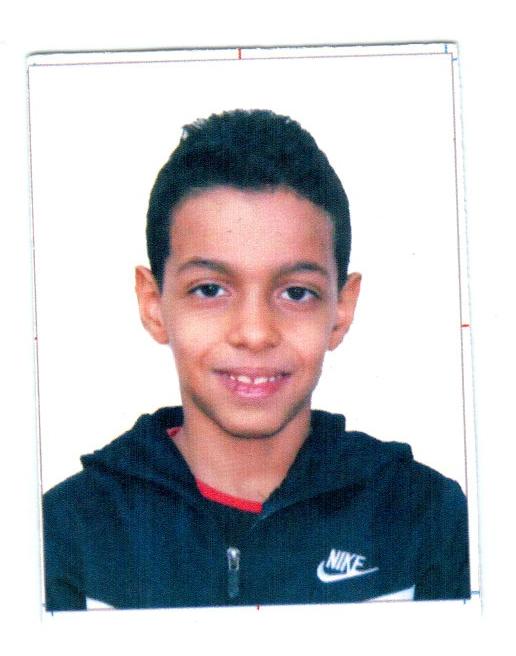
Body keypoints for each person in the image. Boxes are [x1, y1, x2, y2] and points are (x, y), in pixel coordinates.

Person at [43, 109, 470, 611]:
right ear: (153, 304)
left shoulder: (426, 519)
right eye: (209, 289)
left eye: (296, 293)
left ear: (341, 309)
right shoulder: (63, 534)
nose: (254, 333)